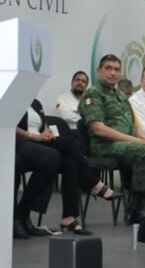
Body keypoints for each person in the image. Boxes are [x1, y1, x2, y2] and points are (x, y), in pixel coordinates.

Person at [79, 54, 145, 224]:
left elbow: (134, 125)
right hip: (105, 146)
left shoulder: (119, 95)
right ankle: (136, 209)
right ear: (99, 71)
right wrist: (136, 141)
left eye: (117, 69)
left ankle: (141, 199)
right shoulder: (93, 94)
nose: (113, 73)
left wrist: (144, 140)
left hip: (127, 144)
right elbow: (98, 129)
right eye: (108, 68)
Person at [16, 98, 118, 236]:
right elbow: (9, 126)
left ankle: (69, 217)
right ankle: (93, 184)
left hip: (41, 142)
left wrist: (47, 132)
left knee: (71, 163)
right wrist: (34, 136)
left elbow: (44, 123)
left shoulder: (35, 102)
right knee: (69, 143)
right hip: (24, 142)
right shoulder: (13, 100)